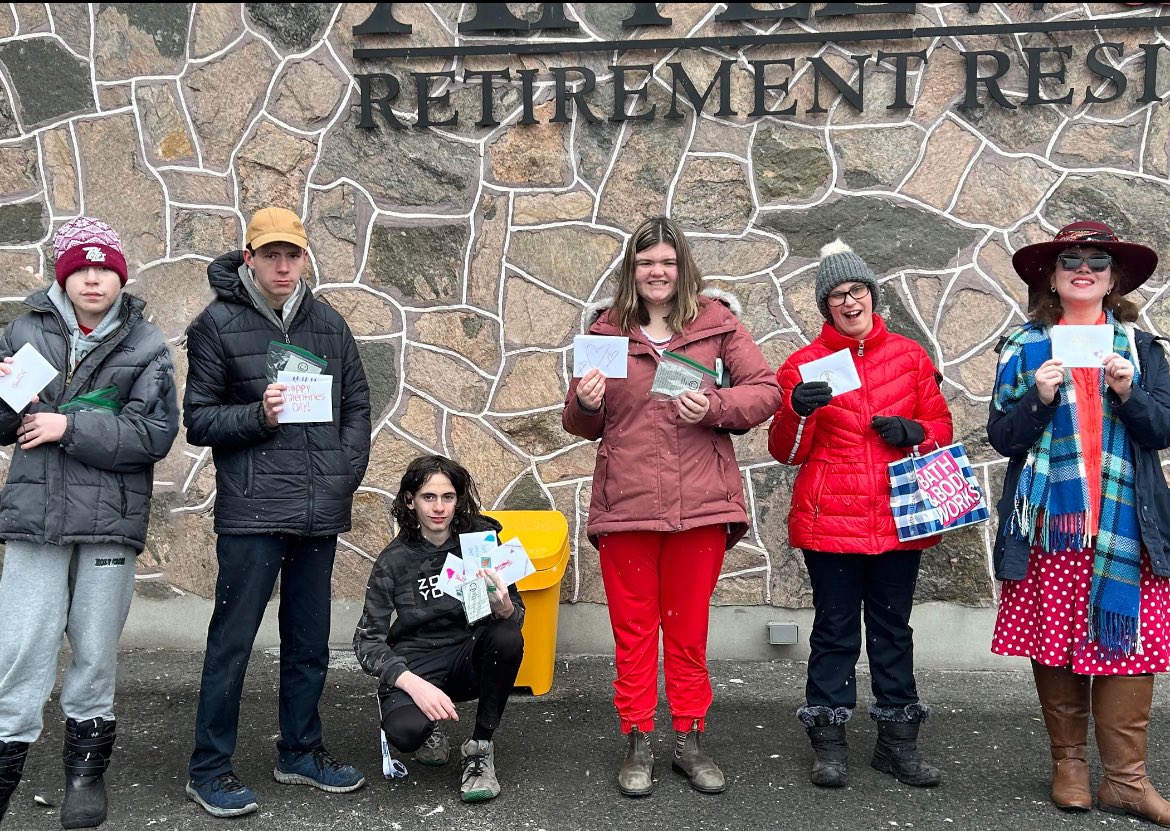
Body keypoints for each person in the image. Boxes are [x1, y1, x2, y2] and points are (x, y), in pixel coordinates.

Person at [562, 216, 781, 798]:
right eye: (645, 263)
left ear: (682, 267)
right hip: (626, 505)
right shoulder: (606, 330)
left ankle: (689, 739)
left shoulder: (717, 324)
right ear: (631, 271)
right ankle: (637, 738)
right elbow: (580, 421)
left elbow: (765, 390)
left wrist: (713, 406)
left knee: (687, 631)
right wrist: (586, 404)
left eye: (666, 261)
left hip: (700, 507)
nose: (656, 272)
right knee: (633, 632)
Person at [183, 207, 371, 818]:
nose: (283, 266)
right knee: (232, 643)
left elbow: (357, 405)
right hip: (253, 510)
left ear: (304, 258)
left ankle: (300, 751)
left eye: (293, 255)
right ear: (250, 258)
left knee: (309, 642)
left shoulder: (329, 324)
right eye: (271, 255)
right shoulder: (216, 324)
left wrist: (343, 475)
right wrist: (256, 415)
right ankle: (209, 768)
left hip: (318, 508)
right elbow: (198, 420)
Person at [988, 220, 1170, 823]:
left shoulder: (1142, 350)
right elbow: (1003, 437)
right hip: (1053, 527)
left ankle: (1126, 781)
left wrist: (1128, 391)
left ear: (1114, 279)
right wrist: (1037, 399)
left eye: (1097, 260)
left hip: (1127, 525)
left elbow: (1162, 431)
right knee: (1057, 644)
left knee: (1128, 646)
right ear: (1052, 276)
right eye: (1071, 259)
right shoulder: (1023, 348)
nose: (1084, 268)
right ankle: (1069, 767)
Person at [0, 216, 179, 828]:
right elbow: (3, 425)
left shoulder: (146, 344)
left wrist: (67, 427)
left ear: (120, 277)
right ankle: (5, 766)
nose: (93, 279)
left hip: (109, 524)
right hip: (38, 520)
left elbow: (154, 434)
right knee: (20, 648)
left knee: (96, 650)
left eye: (105, 268)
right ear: (64, 276)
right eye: (81, 268)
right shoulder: (23, 331)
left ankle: (85, 775)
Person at [768, 240, 953, 790]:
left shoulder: (911, 356)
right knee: (835, 630)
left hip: (899, 515)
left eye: (857, 291)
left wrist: (915, 432)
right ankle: (829, 745)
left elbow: (941, 428)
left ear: (872, 294)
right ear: (825, 308)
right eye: (837, 297)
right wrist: (797, 411)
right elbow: (786, 451)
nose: (850, 303)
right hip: (832, 519)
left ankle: (898, 745)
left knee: (893, 630)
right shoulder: (802, 366)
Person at [353, 455, 525, 803]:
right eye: (428, 497)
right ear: (410, 501)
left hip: (467, 653)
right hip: (417, 660)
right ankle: (426, 725)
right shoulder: (393, 559)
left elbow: (516, 615)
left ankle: (480, 747)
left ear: (458, 500)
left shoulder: (479, 540)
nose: (439, 508)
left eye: (448, 497)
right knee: (406, 733)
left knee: (507, 635)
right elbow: (366, 641)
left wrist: (503, 606)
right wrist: (413, 684)